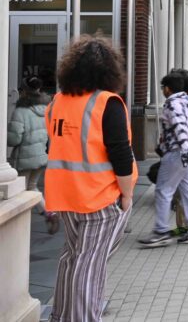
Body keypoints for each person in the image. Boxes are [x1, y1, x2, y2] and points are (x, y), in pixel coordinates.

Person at [45, 35, 137, 322]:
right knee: (89, 265)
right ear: (109, 70)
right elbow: (121, 154)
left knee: (72, 258)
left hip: (66, 197)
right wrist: (128, 195)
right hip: (100, 198)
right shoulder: (106, 103)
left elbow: (55, 147)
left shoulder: (57, 102)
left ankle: (61, 316)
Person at [139, 69, 188, 248]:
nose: (162, 90)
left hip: (178, 152)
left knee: (163, 190)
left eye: (163, 87)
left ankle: (161, 231)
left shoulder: (172, 104)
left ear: (168, 89)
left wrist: (184, 150)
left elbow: (179, 126)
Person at [8, 77, 56, 230]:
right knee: (32, 187)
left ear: (24, 91)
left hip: (24, 159)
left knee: (19, 193)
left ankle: (18, 228)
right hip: (41, 156)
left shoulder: (21, 111)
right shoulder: (46, 110)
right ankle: (49, 213)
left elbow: (14, 139)